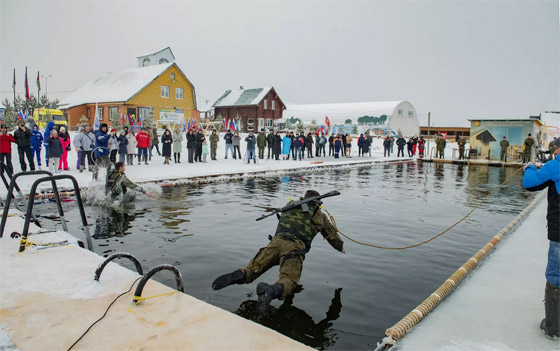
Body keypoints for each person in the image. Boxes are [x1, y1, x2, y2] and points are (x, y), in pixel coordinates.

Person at [212, 190, 345, 315]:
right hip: (294, 248)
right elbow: (332, 236)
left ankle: (241, 274)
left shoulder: (289, 206)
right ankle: (270, 291)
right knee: (289, 280)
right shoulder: (319, 215)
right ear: (317, 203)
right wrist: (340, 248)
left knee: (252, 270)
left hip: (275, 243)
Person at [522, 138, 560, 339]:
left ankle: (553, 327)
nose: (554, 151)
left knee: (556, 276)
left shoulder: (556, 166)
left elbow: (529, 183)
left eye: (556, 148)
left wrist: (529, 168)